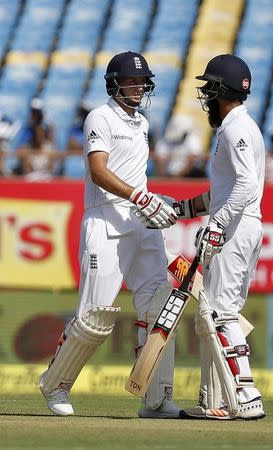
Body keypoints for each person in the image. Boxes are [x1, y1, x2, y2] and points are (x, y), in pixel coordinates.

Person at [38, 51, 181, 419]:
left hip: (142, 223)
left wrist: (151, 198)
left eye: (142, 81)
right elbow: (99, 171)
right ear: (114, 83)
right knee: (95, 315)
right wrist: (138, 195)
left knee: (159, 309)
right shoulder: (98, 117)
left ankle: (156, 397)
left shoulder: (142, 123)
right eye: (132, 81)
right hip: (106, 222)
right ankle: (55, 384)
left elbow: (136, 176)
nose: (138, 87)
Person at [138, 54, 266, 420]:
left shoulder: (235, 129)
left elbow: (244, 186)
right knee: (219, 314)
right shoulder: (241, 127)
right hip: (244, 224)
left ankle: (247, 396)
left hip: (237, 227)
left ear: (224, 91)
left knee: (222, 313)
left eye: (210, 88)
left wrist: (217, 225)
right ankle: (221, 400)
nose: (206, 96)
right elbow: (221, 194)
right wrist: (180, 211)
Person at [16, 98, 57, 180]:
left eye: (41, 132)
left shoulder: (49, 148)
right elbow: (27, 170)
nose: (39, 135)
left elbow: (50, 168)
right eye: (37, 133)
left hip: (46, 178)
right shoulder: (27, 148)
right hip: (31, 178)